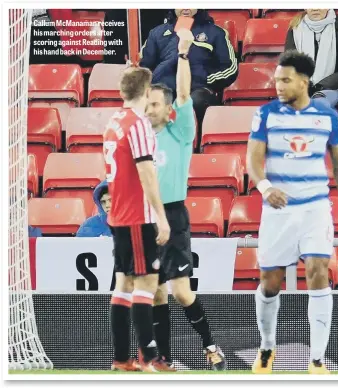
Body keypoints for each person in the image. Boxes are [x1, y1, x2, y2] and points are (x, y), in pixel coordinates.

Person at [246, 50, 338, 374]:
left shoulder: (328, 118)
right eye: (276, 79)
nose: (278, 85)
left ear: (303, 81)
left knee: (318, 271)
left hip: (314, 208)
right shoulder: (265, 115)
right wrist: (266, 188)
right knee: (270, 282)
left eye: (285, 80)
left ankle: (317, 360)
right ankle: (267, 347)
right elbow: (252, 161)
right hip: (277, 211)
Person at [144, 28, 226, 371]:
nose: (149, 110)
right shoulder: (140, 138)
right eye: (146, 104)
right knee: (156, 293)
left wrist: (181, 53)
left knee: (180, 291)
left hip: (173, 216)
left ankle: (210, 345)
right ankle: (163, 359)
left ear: (169, 109)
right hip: (144, 218)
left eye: (154, 104)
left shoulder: (180, 132)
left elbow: (181, 89)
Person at [103, 66, 171, 372]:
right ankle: (148, 358)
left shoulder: (113, 122)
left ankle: (121, 359)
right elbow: (146, 172)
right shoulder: (138, 124)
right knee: (147, 283)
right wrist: (161, 216)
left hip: (118, 215)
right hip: (136, 215)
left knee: (123, 283)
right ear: (146, 93)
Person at [139, 9, 238, 128]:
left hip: (198, 90)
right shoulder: (156, 33)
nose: (186, 7)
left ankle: (195, 144)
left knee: (194, 101)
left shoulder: (216, 32)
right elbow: (143, 67)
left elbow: (230, 68)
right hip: (163, 89)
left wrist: (204, 79)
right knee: (152, 102)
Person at [285, 9, 338, 110]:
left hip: (334, 88)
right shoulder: (294, 29)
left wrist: (320, 86)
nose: (315, 8)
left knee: (317, 104)